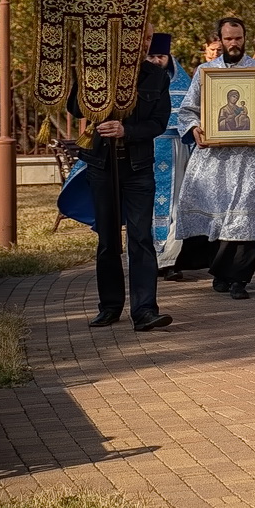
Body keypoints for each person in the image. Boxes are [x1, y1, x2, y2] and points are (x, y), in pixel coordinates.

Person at [173, 17, 255, 299]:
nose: (233, 43)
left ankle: (240, 279)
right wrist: (195, 128)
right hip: (215, 160)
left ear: (244, 38)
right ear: (220, 40)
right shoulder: (205, 72)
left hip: (250, 160)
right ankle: (221, 273)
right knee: (219, 218)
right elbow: (187, 111)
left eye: (238, 38)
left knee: (248, 217)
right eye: (228, 39)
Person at [73, 49, 173, 331]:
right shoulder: (97, 70)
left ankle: (144, 311)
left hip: (138, 167)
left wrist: (126, 130)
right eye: (139, 35)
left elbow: (158, 122)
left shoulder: (156, 76)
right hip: (101, 165)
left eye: (148, 37)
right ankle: (110, 306)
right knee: (107, 239)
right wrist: (81, 73)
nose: (143, 42)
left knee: (141, 237)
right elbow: (74, 108)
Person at [146, 33, 193, 281]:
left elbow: (190, 114)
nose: (155, 61)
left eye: (160, 56)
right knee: (146, 206)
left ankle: (169, 260)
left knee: (175, 204)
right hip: (145, 149)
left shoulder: (182, 82)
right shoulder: (136, 80)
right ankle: (146, 258)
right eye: (151, 56)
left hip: (175, 148)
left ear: (168, 57)